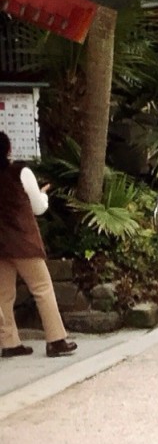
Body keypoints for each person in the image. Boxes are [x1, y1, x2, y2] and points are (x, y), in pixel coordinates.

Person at [0, 131, 77, 358]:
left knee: (3, 295)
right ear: (8, 150)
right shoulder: (20, 172)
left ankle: (9, 342)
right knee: (42, 288)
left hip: (1, 245)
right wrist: (43, 195)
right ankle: (55, 340)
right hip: (24, 242)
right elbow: (38, 208)